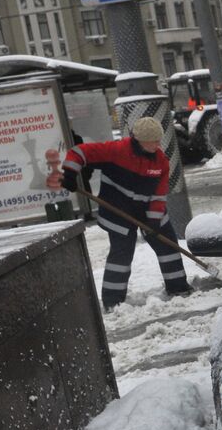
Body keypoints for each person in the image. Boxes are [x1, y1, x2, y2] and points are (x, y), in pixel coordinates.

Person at [59, 117, 192, 311]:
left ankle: (178, 288)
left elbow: (159, 193)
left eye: (158, 140)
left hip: (149, 211)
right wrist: (70, 173)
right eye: (153, 141)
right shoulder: (116, 151)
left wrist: (154, 220)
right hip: (118, 211)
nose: (157, 144)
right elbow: (79, 152)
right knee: (122, 253)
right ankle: (113, 301)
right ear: (140, 140)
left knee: (168, 246)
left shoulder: (160, 161)